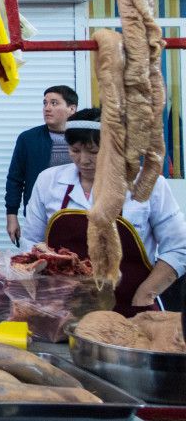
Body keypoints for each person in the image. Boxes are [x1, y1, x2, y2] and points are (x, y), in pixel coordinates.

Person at [22, 108, 186, 315]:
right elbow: (31, 244)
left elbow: (179, 248)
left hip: (132, 307)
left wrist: (146, 293)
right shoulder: (49, 181)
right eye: (75, 150)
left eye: (94, 152)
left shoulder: (149, 185)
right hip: (62, 309)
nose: (83, 160)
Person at [5, 85, 78, 245]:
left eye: (54, 103)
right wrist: (11, 216)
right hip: (39, 216)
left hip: (76, 216)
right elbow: (15, 180)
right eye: (45, 103)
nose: (47, 108)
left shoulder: (81, 140)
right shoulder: (28, 139)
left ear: (72, 109)